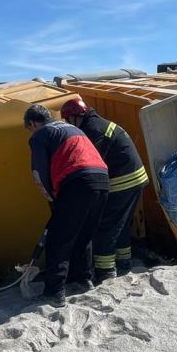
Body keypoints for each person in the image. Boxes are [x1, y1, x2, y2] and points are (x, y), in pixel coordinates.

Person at [24, 103, 108, 307]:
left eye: (29, 127)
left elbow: (39, 173)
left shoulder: (40, 134)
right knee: (83, 234)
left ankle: (54, 292)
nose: (31, 131)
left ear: (34, 122)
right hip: (102, 180)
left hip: (77, 182)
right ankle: (82, 279)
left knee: (58, 238)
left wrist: (51, 198)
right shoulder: (73, 128)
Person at [59, 98, 149, 282]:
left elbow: (92, 162)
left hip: (123, 180)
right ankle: (124, 262)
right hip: (135, 178)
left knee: (106, 226)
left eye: (68, 120)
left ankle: (105, 271)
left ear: (75, 117)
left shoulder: (92, 130)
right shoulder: (98, 123)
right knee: (121, 224)